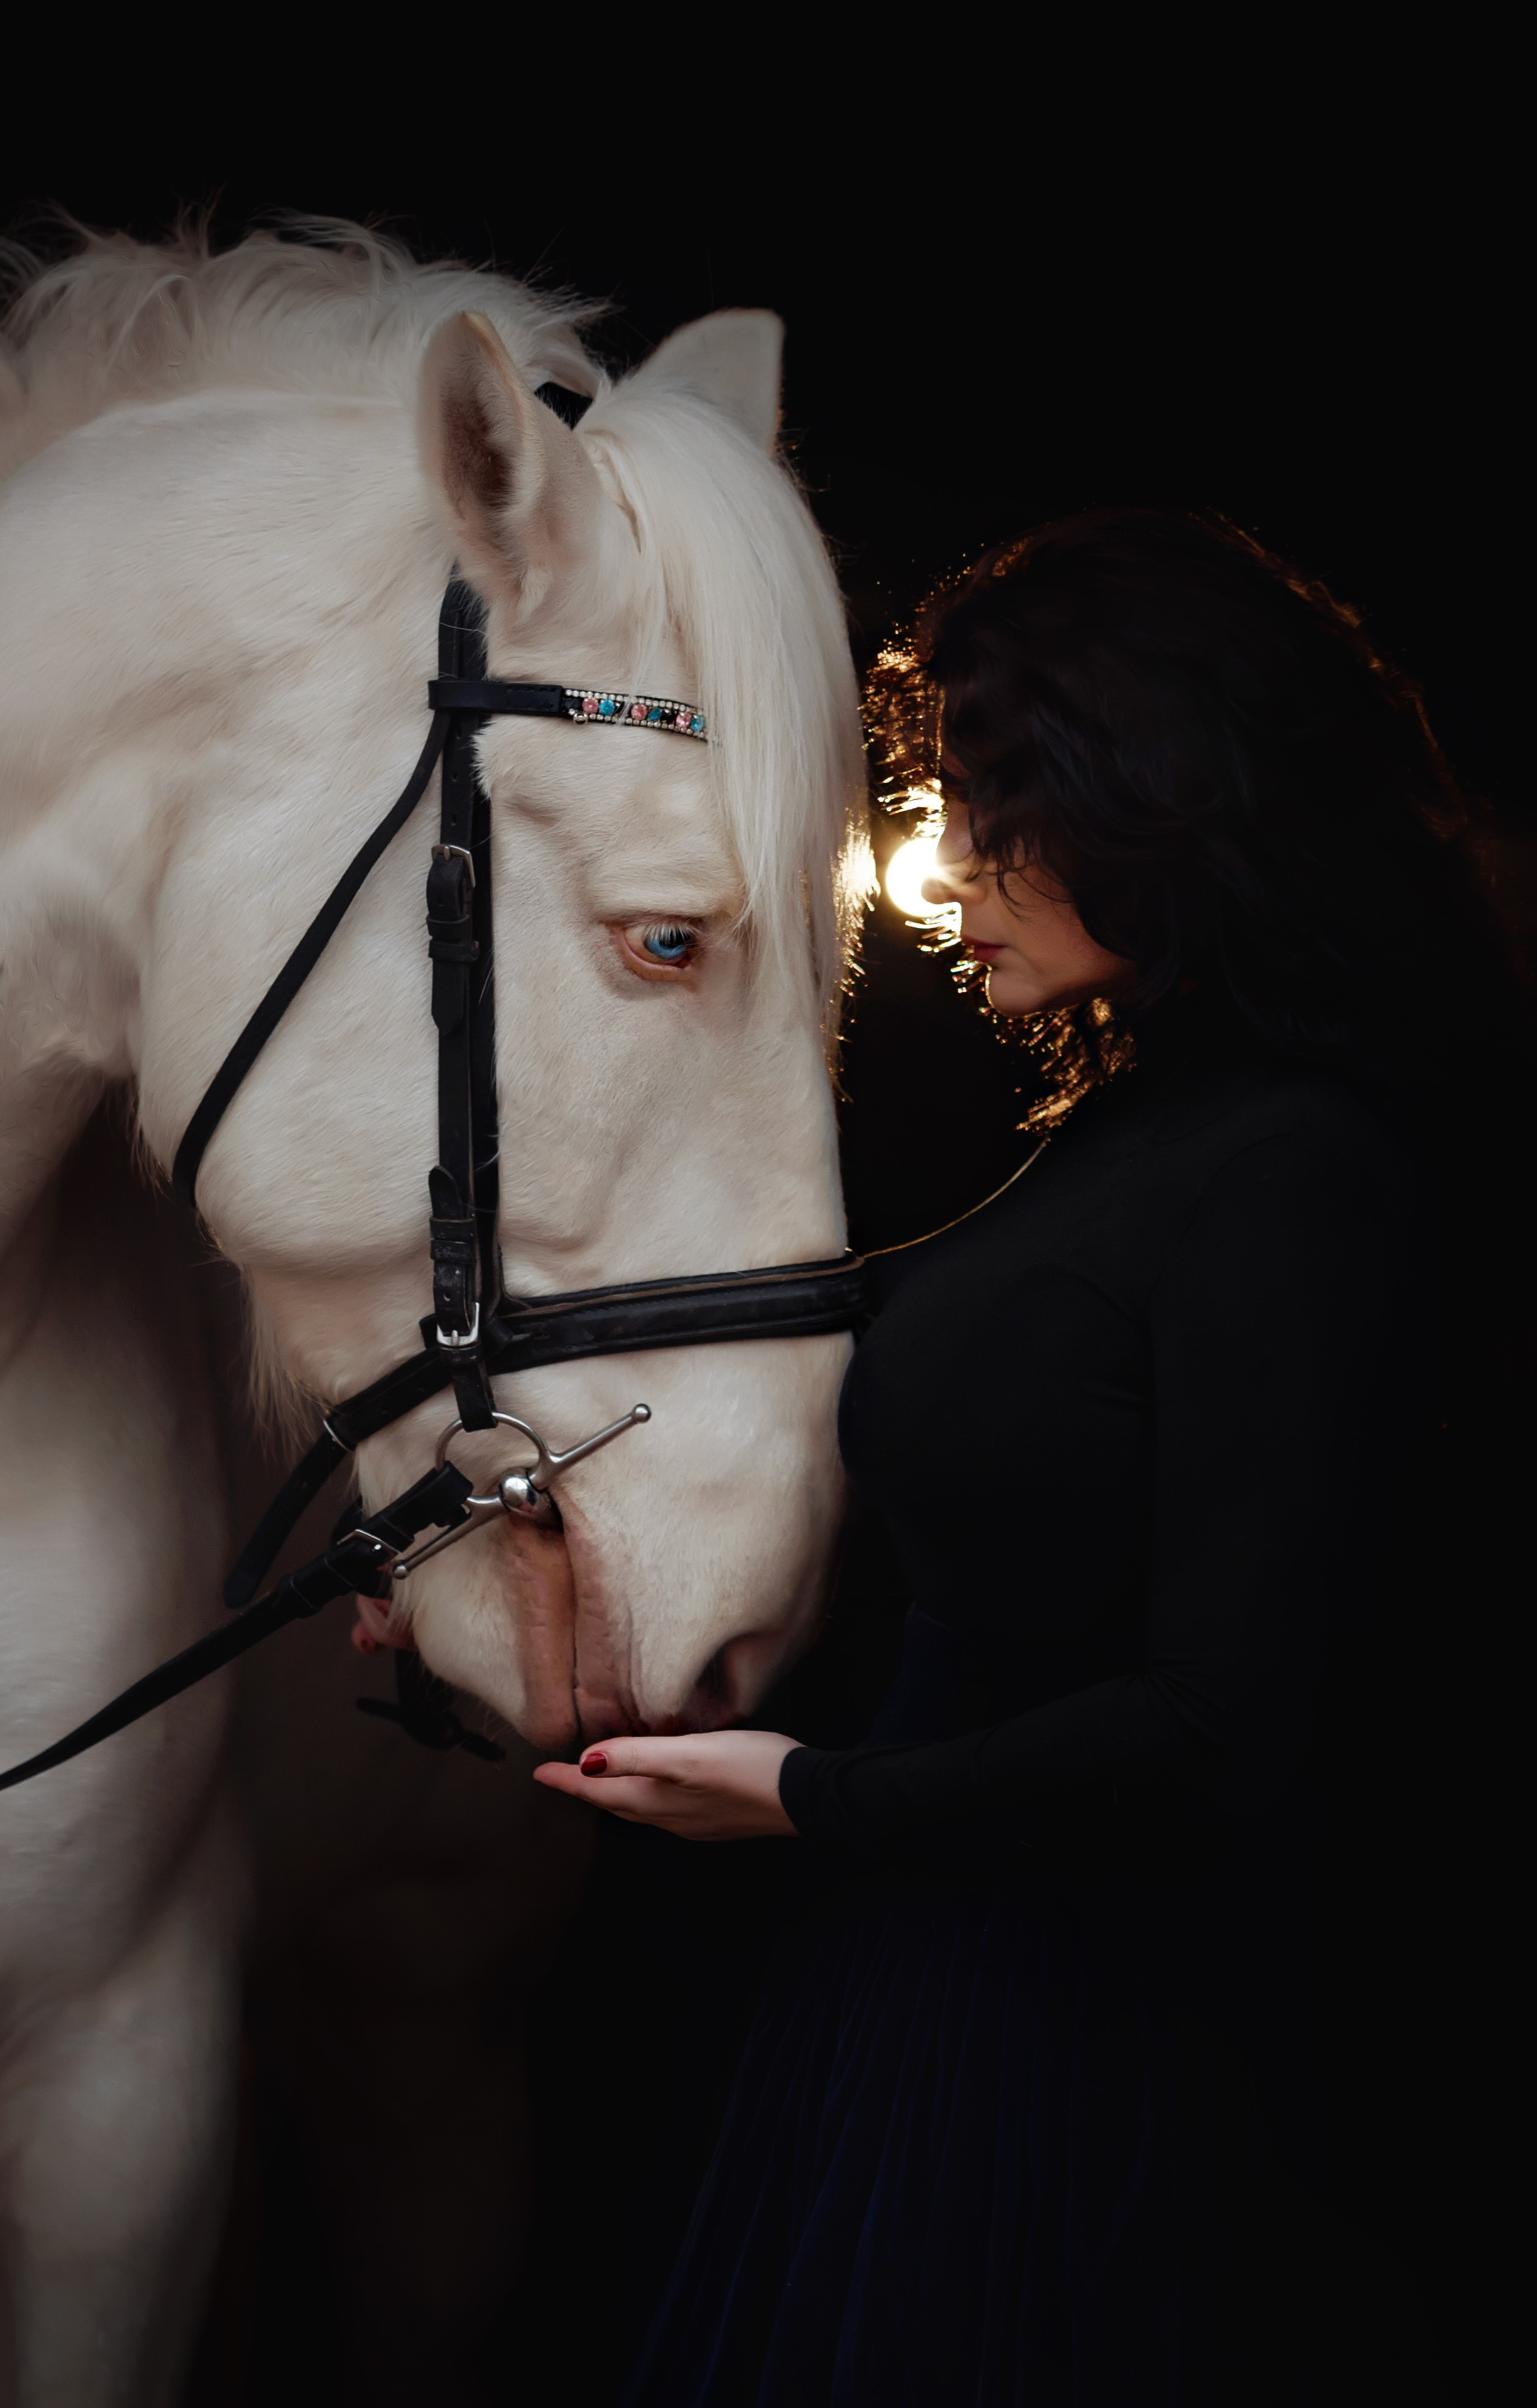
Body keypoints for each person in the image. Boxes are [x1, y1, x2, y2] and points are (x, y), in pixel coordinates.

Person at [534, 509, 1524, 2405]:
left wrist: (818, 1798)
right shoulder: (1139, 1130)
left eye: (992, 814)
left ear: (1159, 802)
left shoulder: (1302, 1167)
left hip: (1110, 2068)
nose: (946, 874)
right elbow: (950, 1575)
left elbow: (1230, 1721)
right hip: (919, 1991)